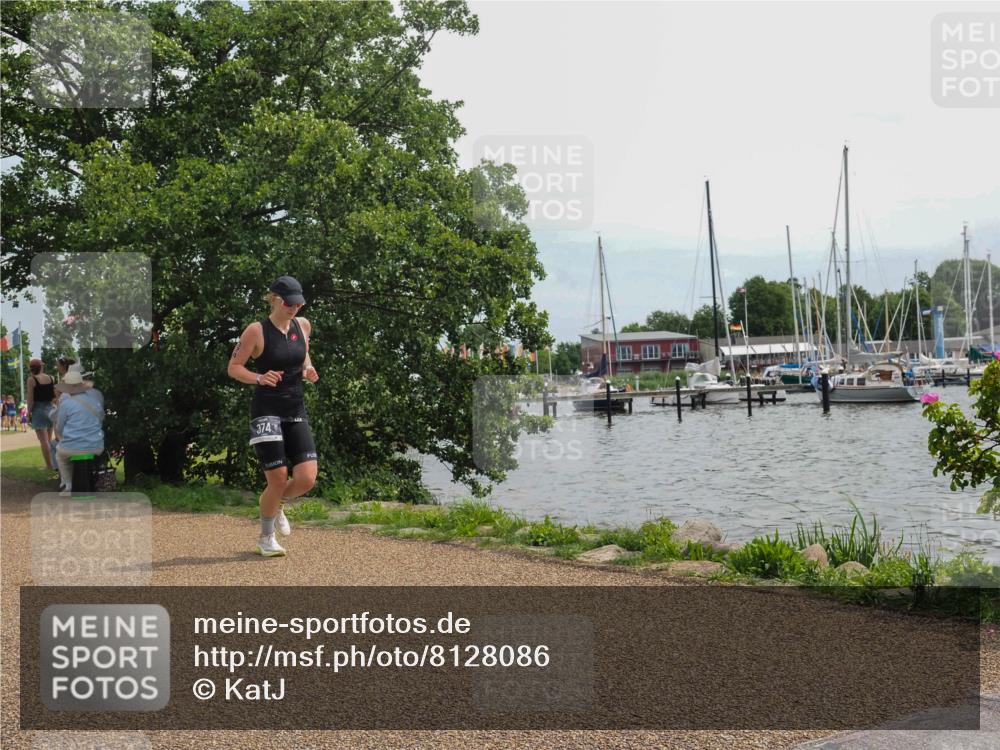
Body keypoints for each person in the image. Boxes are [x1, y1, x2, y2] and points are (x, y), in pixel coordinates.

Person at [228, 276, 319, 557]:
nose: (295, 309)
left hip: (295, 409)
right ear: (276, 300)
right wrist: (258, 377)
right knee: (278, 478)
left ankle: (276, 503)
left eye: (299, 304)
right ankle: (266, 537)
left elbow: (304, 356)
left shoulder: (303, 326)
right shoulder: (256, 331)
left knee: (307, 478)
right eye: (290, 304)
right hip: (266, 411)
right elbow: (234, 367)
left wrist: (308, 368)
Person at [53, 369, 105, 495]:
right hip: (96, 445)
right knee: (72, 450)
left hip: (72, 447)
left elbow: (59, 427)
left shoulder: (66, 404)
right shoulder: (94, 401)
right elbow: (101, 419)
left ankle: (68, 485)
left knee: (60, 455)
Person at [26, 359, 57, 473]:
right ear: (41, 367)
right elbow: (54, 395)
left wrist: (29, 413)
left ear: (31, 369)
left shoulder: (31, 380)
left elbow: (30, 399)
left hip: (39, 410)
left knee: (44, 441)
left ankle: (49, 466)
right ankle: (53, 464)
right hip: (51, 409)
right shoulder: (51, 378)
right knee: (48, 439)